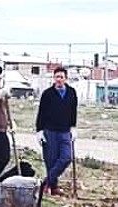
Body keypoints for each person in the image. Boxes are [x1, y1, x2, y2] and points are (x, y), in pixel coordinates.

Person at [35, 66, 78, 196]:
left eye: (61, 77)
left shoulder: (71, 92)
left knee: (66, 157)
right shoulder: (47, 94)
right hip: (50, 130)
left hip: (65, 131)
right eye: (57, 77)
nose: (59, 79)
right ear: (54, 78)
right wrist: (39, 130)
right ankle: (53, 187)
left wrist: (73, 127)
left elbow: (73, 111)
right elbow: (41, 113)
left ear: (66, 78)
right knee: (51, 160)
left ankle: (46, 182)